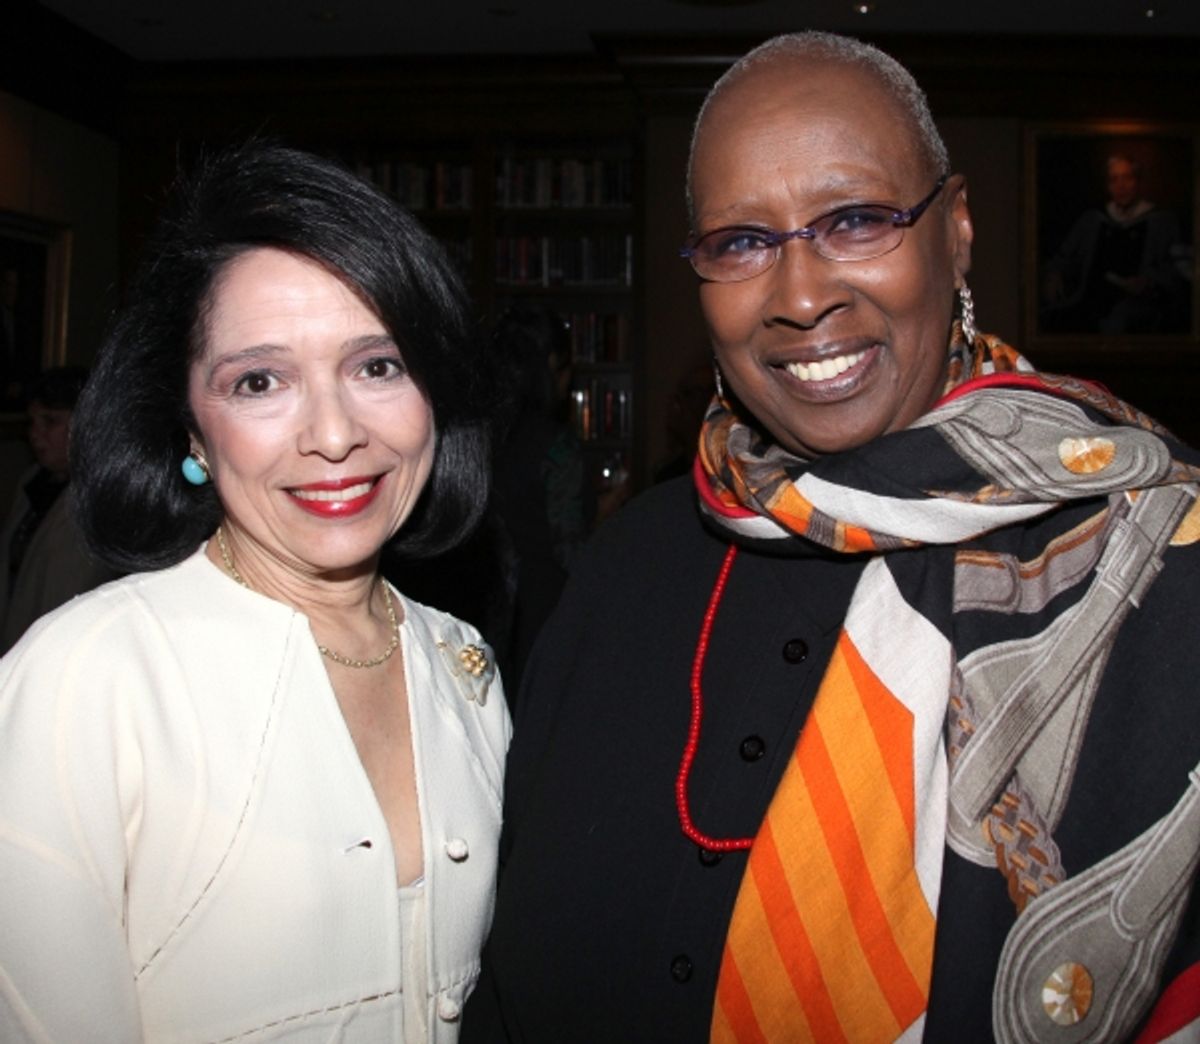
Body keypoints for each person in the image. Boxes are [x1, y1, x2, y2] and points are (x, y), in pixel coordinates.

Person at [463, 32, 1200, 1043]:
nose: (802, 296)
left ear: (960, 230)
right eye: (741, 242)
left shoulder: (1157, 563)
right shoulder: (626, 568)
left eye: (855, 221)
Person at [0, 142, 510, 1042]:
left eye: (377, 365)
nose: (333, 434)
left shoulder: (459, 661)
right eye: (260, 381)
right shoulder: (89, 679)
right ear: (191, 429)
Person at [0, 365, 117, 652]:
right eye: (32, 422)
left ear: (86, 424)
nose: (35, 435)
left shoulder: (101, 497)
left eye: (50, 422)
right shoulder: (34, 482)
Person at [1041, 153, 1189, 335]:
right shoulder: (1092, 220)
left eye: (1127, 178)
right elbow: (1065, 257)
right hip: (1089, 299)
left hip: (1139, 305)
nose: (1121, 186)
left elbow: (1177, 270)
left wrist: (1149, 282)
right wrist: (1054, 275)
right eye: (1114, 180)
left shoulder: (1162, 222)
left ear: (1138, 182)